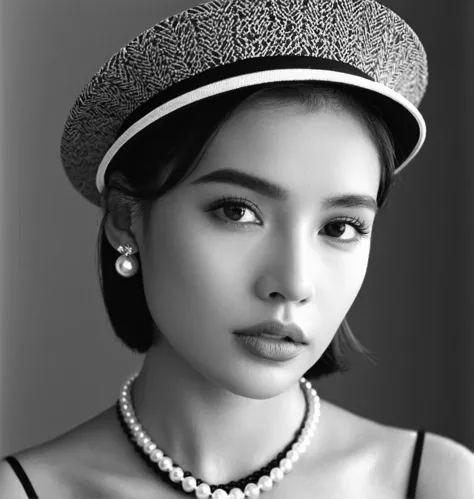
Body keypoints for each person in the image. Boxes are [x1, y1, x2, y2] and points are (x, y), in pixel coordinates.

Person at [1, 0, 474, 497]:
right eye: (237, 212)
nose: (293, 282)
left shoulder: (437, 482)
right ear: (126, 218)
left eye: (340, 227)